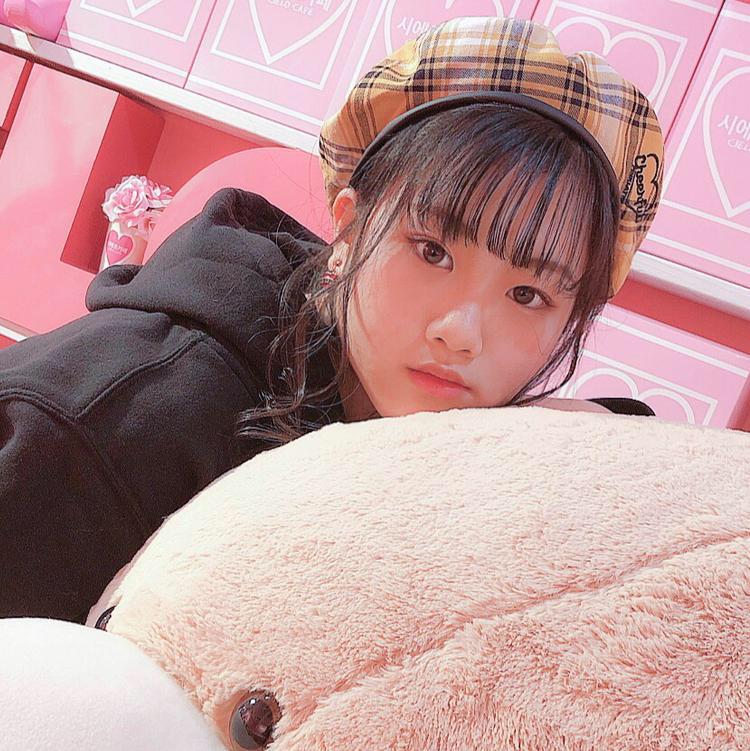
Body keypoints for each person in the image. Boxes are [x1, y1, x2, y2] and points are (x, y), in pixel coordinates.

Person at [0, 16, 662, 623]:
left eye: (527, 295)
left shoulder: (421, 450)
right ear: (348, 229)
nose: (461, 331)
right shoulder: (121, 415)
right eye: (432, 252)